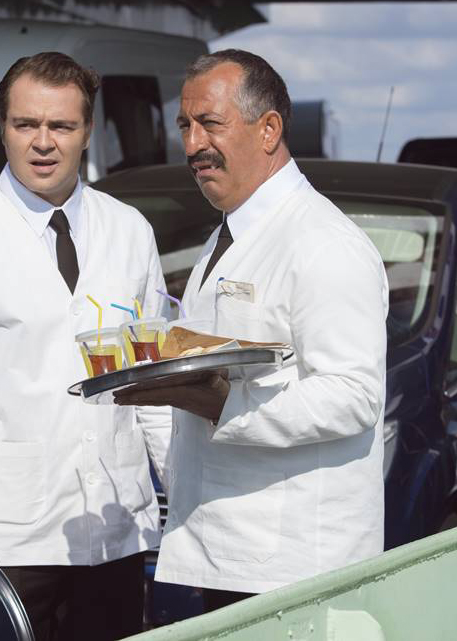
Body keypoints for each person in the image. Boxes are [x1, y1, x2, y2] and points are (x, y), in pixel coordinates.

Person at [0, 51, 170, 641]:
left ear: (88, 131)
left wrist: (183, 486)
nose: (43, 142)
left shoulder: (130, 230)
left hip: (116, 522)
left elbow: (150, 378)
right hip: (8, 535)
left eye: (61, 126)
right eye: (26, 124)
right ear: (3, 127)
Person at [114, 49, 389, 612]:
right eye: (185, 126)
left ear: (269, 130)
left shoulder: (323, 243)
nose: (192, 145)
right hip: (233, 553)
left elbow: (354, 395)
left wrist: (221, 403)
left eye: (210, 123)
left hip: (294, 570)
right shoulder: (229, 234)